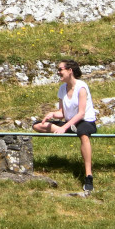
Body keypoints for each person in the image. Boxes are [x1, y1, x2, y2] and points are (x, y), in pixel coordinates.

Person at [33, 59, 96, 192]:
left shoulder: (81, 87)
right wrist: (52, 114)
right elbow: (62, 113)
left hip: (85, 121)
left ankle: (88, 176)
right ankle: (71, 129)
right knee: (37, 125)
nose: (58, 72)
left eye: (60, 69)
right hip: (70, 122)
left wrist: (63, 127)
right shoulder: (62, 88)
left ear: (70, 71)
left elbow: (81, 113)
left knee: (83, 134)